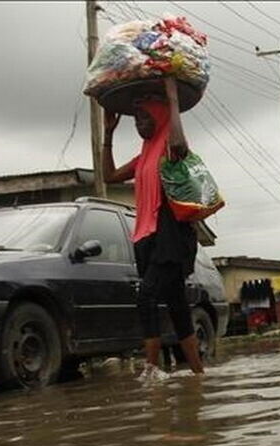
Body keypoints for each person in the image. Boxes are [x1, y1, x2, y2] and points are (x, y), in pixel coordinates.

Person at [102, 78, 204, 381]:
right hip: (146, 238)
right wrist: (109, 133)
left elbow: (178, 144)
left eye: (145, 117)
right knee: (176, 306)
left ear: (159, 116)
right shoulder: (143, 155)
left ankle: (151, 368)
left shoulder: (169, 149)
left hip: (170, 238)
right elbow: (108, 176)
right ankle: (199, 373)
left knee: (145, 296)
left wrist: (173, 100)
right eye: (136, 120)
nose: (140, 124)